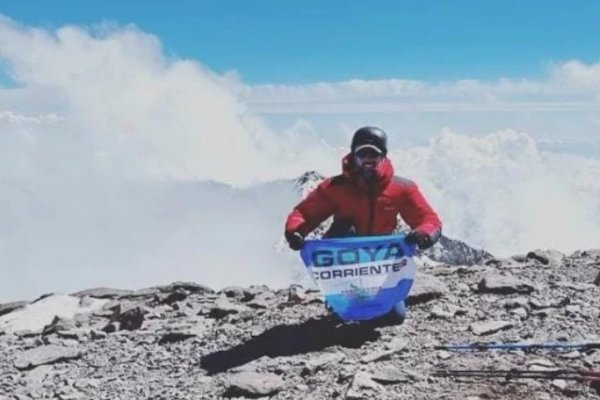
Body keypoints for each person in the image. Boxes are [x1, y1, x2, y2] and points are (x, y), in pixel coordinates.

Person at [284, 126, 442, 320]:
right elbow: (305, 213)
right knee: (348, 314)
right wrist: (295, 231)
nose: (367, 159)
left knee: (394, 316)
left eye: (373, 154)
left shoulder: (402, 188)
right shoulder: (335, 188)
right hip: (343, 262)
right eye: (362, 153)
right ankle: (338, 298)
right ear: (353, 156)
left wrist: (424, 234)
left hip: (380, 262)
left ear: (383, 156)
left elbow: (428, 219)